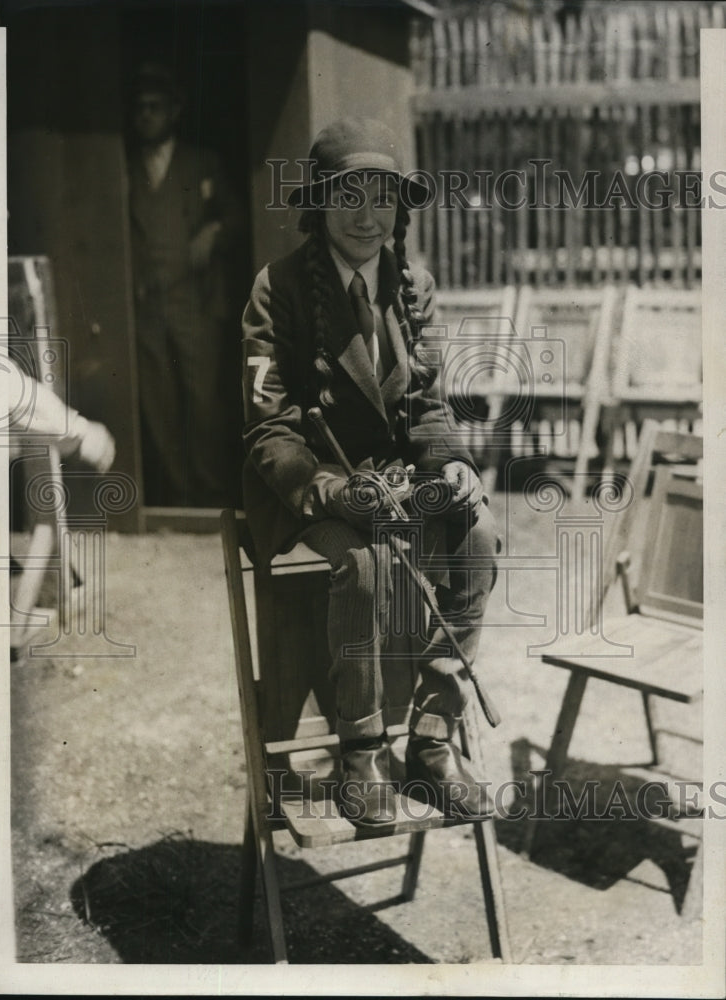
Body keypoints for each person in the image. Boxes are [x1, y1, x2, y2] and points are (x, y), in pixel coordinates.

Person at [241, 118, 500, 827]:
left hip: (389, 480)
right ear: (319, 203)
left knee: (477, 534)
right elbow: (269, 428)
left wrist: (449, 465)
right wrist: (330, 491)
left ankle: (432, 735)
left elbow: (428, 405)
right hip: (306, 488)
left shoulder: (412, 284)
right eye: (349, 195)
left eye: (381, 197)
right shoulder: (279, 289)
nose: (366, 215)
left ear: (400, 207)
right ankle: (361, 755)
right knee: (359, 563)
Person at [127, 62, 240, 507]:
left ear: (174, 111)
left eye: (155, 108)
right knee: (159, 403)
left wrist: (213, 233)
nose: (145, 116)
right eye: (139, 109)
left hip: (196, 301)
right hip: (148, 305)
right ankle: (177, 496)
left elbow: (237, 217)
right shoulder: (126, 166)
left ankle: (210, 495)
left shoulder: (202, 162)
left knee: (203, 402)